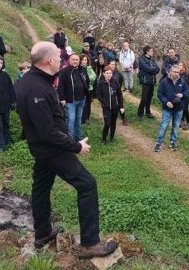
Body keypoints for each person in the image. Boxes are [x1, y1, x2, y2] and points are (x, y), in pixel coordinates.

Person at [16, 42, 118, 258]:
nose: (62, 62)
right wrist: (76, 146)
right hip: (52, 150)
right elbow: (47, 131)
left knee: (41, 188)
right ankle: (90, 244)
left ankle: (43, 233)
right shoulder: (37, 88)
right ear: (50, 60)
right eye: (59, 58)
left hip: (42, 149)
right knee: (87, 184)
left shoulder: (32, 81)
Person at [154, 64, 189, 152]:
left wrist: (182, 95)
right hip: (167, 108)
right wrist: (166, 102)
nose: (176, 74)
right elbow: (160, 94)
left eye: (178, 72)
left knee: (176, 126)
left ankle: (173, 142)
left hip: (179, 108)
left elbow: (187, 92)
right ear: (170, 72)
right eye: (174, 72)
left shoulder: (182, 82)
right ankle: (158, 143)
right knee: (164, 126)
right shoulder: (164, 82)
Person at [58, 53, 89, 141]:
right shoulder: (64, 71)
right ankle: (70, 139)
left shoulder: (82, 70)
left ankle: (78, 136)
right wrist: (62, 98)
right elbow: (61, 86)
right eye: (73, 59)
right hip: (70, 100)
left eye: (77, 60)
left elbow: (86, 81)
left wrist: (87, 93)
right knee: (71, 119)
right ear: (69, 60)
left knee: (78, 118)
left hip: (82, 99)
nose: (75, 61)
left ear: (79, 61)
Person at [96, 66, 124, 144]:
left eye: (110, 73)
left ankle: (112, 138)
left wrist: (121, 106)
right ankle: (103, 139)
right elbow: (98, 95)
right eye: (107, 73)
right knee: (107, 124)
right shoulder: (101, 83)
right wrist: (104, 102)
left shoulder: (115, 82)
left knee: (113, 124)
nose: (109, 74)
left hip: (115, 107)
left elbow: (119, 95)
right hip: (106, 107)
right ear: (104, 74)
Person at [137, 45, 160, 121]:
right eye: (151, 51)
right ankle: (140, 114)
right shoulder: (141, 59)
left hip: (152, 81)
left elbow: (158, 69)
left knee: (149, 97)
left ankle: (148, 112)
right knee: (144, 98)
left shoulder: (152, 59)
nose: (152, 52)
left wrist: (152, 70)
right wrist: (153, 70)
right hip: (145, 81)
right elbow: (147, 69)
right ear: (147, 52)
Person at [108, 60, 128, 126]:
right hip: (108, 92)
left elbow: (121, 80)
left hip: (117, 92)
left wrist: (118, 88)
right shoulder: (106, 72)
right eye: (112, 64)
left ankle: (123, 118)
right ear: (109, 65)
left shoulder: (117, 73)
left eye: (114, 64)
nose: (113, 66)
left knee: (120, 105)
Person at [80, 54, 96, 125]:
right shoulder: (78, 68)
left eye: (85, 60)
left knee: (88, 104)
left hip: (89, 89)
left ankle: (87, 118)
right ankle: (81, 118)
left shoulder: (89, 68)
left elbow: (94, 76)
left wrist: (87, 79)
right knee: (82, 104)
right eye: (82, 60)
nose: (84, 61)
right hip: (81, 90)